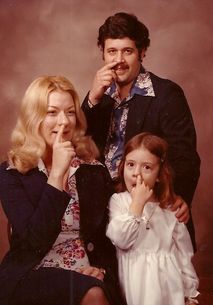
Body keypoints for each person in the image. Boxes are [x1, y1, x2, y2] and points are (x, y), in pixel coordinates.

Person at [0, 76, 124, 305]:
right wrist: (57, 175)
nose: (64, 122)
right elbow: (32, 242)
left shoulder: (93, 170)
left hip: (85, 269)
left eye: (69, 112)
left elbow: (110, 236)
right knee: (93, 295)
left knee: (96, 289)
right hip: (32, 272)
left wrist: (102, 270)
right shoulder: (11, 172)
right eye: (52, 112)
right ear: (33, 117)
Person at [81, 12, 200, 249]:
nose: (119, 60)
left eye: (128, 51)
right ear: (103, 54)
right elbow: (83, 148)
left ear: (142, 52)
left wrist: (178, 197)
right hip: (106, 210)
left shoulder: (166, 95)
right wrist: (92, 100)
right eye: (112, 51)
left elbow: (185, 157)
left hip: (150, 209)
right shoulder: (100, 97)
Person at [106, 132, 200, 305]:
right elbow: (121, 239)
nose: (137, 174)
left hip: (170, 290)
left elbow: (184, 255)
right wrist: (137, 205)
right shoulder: (119, 202)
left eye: (147, 167)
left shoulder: (170, 209)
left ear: (159, 175)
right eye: (131, 165)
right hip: (136, 289)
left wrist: (189, 293)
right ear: (122, 167)